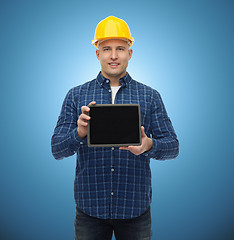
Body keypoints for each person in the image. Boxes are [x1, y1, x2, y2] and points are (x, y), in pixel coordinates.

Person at [51, 16, 179, 240]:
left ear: (130, 53)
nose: (113, 55)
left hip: (135, 210)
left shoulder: (150, 96)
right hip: (89, 210)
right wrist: (79, 133)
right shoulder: (76, 95)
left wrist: (149, 145)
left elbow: (172, 147)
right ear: (97, 53)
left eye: (120, 48)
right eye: (106, 48)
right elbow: (57, 149)